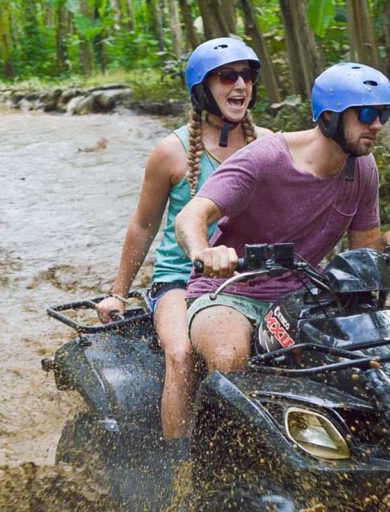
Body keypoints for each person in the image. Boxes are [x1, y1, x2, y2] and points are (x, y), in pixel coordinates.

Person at [175, 62, 390, 374]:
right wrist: (203, 252)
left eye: (384, 114)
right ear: (329, 117)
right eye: (366, 114)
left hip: (307, 295)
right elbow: (192, 214)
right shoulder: (265, 158)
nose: (377, 124)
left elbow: (364, 253)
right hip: (229, 292)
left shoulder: (362, 168)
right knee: (229, 356)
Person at [95, 37, 272, 439]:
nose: (240, 85)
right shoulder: (170, 152)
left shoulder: (269, 145)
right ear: (202, 90)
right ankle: (179, 463)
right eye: (227, 77)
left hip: (250, 278)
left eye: (246, 76)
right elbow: (143, 226)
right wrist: (118, 293)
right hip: (181, 280)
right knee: (181, 354)